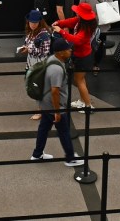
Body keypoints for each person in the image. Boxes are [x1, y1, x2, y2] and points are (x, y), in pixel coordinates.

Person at [30, 36, 85, 166]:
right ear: (61, 52)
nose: (70, 50)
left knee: (43, 128)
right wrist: (57, 111)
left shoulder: (52, 60)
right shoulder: (57, 69)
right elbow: (55, 91)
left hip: (45, 103)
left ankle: (37, 154)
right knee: (64, 131)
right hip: (54, 106)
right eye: (68, 49)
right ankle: (70, 158)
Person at [53, 3, 98, 112]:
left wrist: (61, 31)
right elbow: (70, 21)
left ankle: (88, 106)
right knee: (80, 79)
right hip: (82, 55)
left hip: (83, 58)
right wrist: (59, 22)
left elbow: (76, 40)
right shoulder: (82, 22)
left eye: (78, 12)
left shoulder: (85, 29)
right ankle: (82, 101)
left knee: (79, 80)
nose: (76, 13)